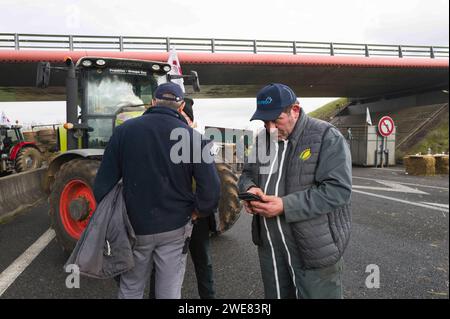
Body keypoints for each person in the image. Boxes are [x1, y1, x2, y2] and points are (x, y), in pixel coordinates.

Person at [93, 82, 221, 299]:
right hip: (175, 227)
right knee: (169, 292)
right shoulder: (194, 139)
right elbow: (211, 191)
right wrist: (196, 212)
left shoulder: (124, 132)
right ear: (181, 108)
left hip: (134, 228)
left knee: (131, 287)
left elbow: (102, 187)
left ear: (152, 103)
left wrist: (117, 219)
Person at [238, 83, 352, 299]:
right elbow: (246, 174)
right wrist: (249, 189)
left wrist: (284, 205)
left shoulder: (326, 136)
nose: (270, 128)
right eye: (265, 122)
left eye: (276, 120)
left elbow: (337, 191)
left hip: (312, 248)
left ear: (295, 110)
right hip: (271, 248)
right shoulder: (263, 140)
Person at [149, 97, 217, 299]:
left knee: (203, 261)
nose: (181, 119)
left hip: (197, 217)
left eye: (185, 116)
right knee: (160, 266)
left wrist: (198, 211)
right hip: (170, 217)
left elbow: (210, 184)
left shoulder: (199, 142)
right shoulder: (162, 142)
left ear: (191, 120)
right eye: (180, 114)